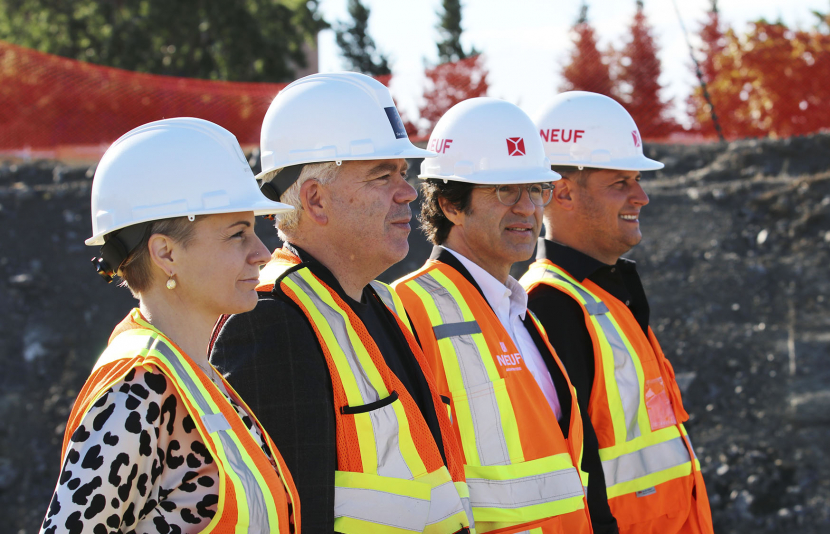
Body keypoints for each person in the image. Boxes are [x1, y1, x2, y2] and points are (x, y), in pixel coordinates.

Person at [208, 72, 473, 534]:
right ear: (316, 200)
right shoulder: (270, 321)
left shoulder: (382, 303)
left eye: (403, 173)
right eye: (381, 175)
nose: (408, 191)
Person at [40, 118, 301, 533]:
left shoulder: (195, 379)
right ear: (166, 253)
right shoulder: (137, 393)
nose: (262, 253)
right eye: (238, 234)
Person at [393, 97, 595, 534]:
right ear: (450, 203)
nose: (528, 208)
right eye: (506, 190)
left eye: (537, 189)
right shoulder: (407, 310)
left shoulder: (522, 314)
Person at [520, 91, 715, 534]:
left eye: (637, 180)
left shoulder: (605, 297)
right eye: (620, 183)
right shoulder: (548, 307)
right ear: (564, 192)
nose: (641, 197)